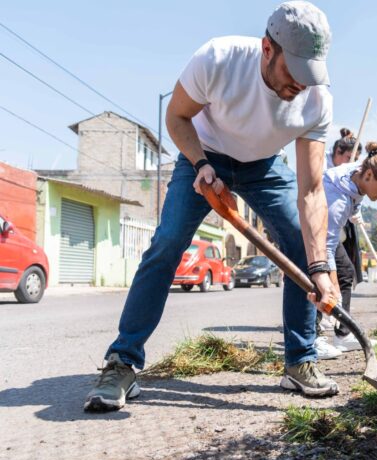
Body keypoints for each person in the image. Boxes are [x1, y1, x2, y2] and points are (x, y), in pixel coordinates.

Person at [84, 1, 341, 412]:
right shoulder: (218, 58)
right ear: (267, 49)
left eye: (311, 73)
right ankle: (123, 361)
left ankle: (300, 360)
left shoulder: (316, 101)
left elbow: (311, 192)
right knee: (167, 243)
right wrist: (201, 166)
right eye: (294, 71)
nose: (301, 85)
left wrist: (321, 270)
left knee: (298, 241)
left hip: (265, 164)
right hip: (205, 154)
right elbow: (177, 118)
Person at [321, 142, 377, 347]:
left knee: (346, 272)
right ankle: (310, 338)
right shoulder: (337, 200)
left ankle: (343, 334)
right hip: (307, 231)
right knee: (318, 276)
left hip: (324, 230)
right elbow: (326, 245)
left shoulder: (362, 170)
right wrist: (332, 286)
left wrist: (355, 210)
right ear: (368, 176)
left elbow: (362, 169)